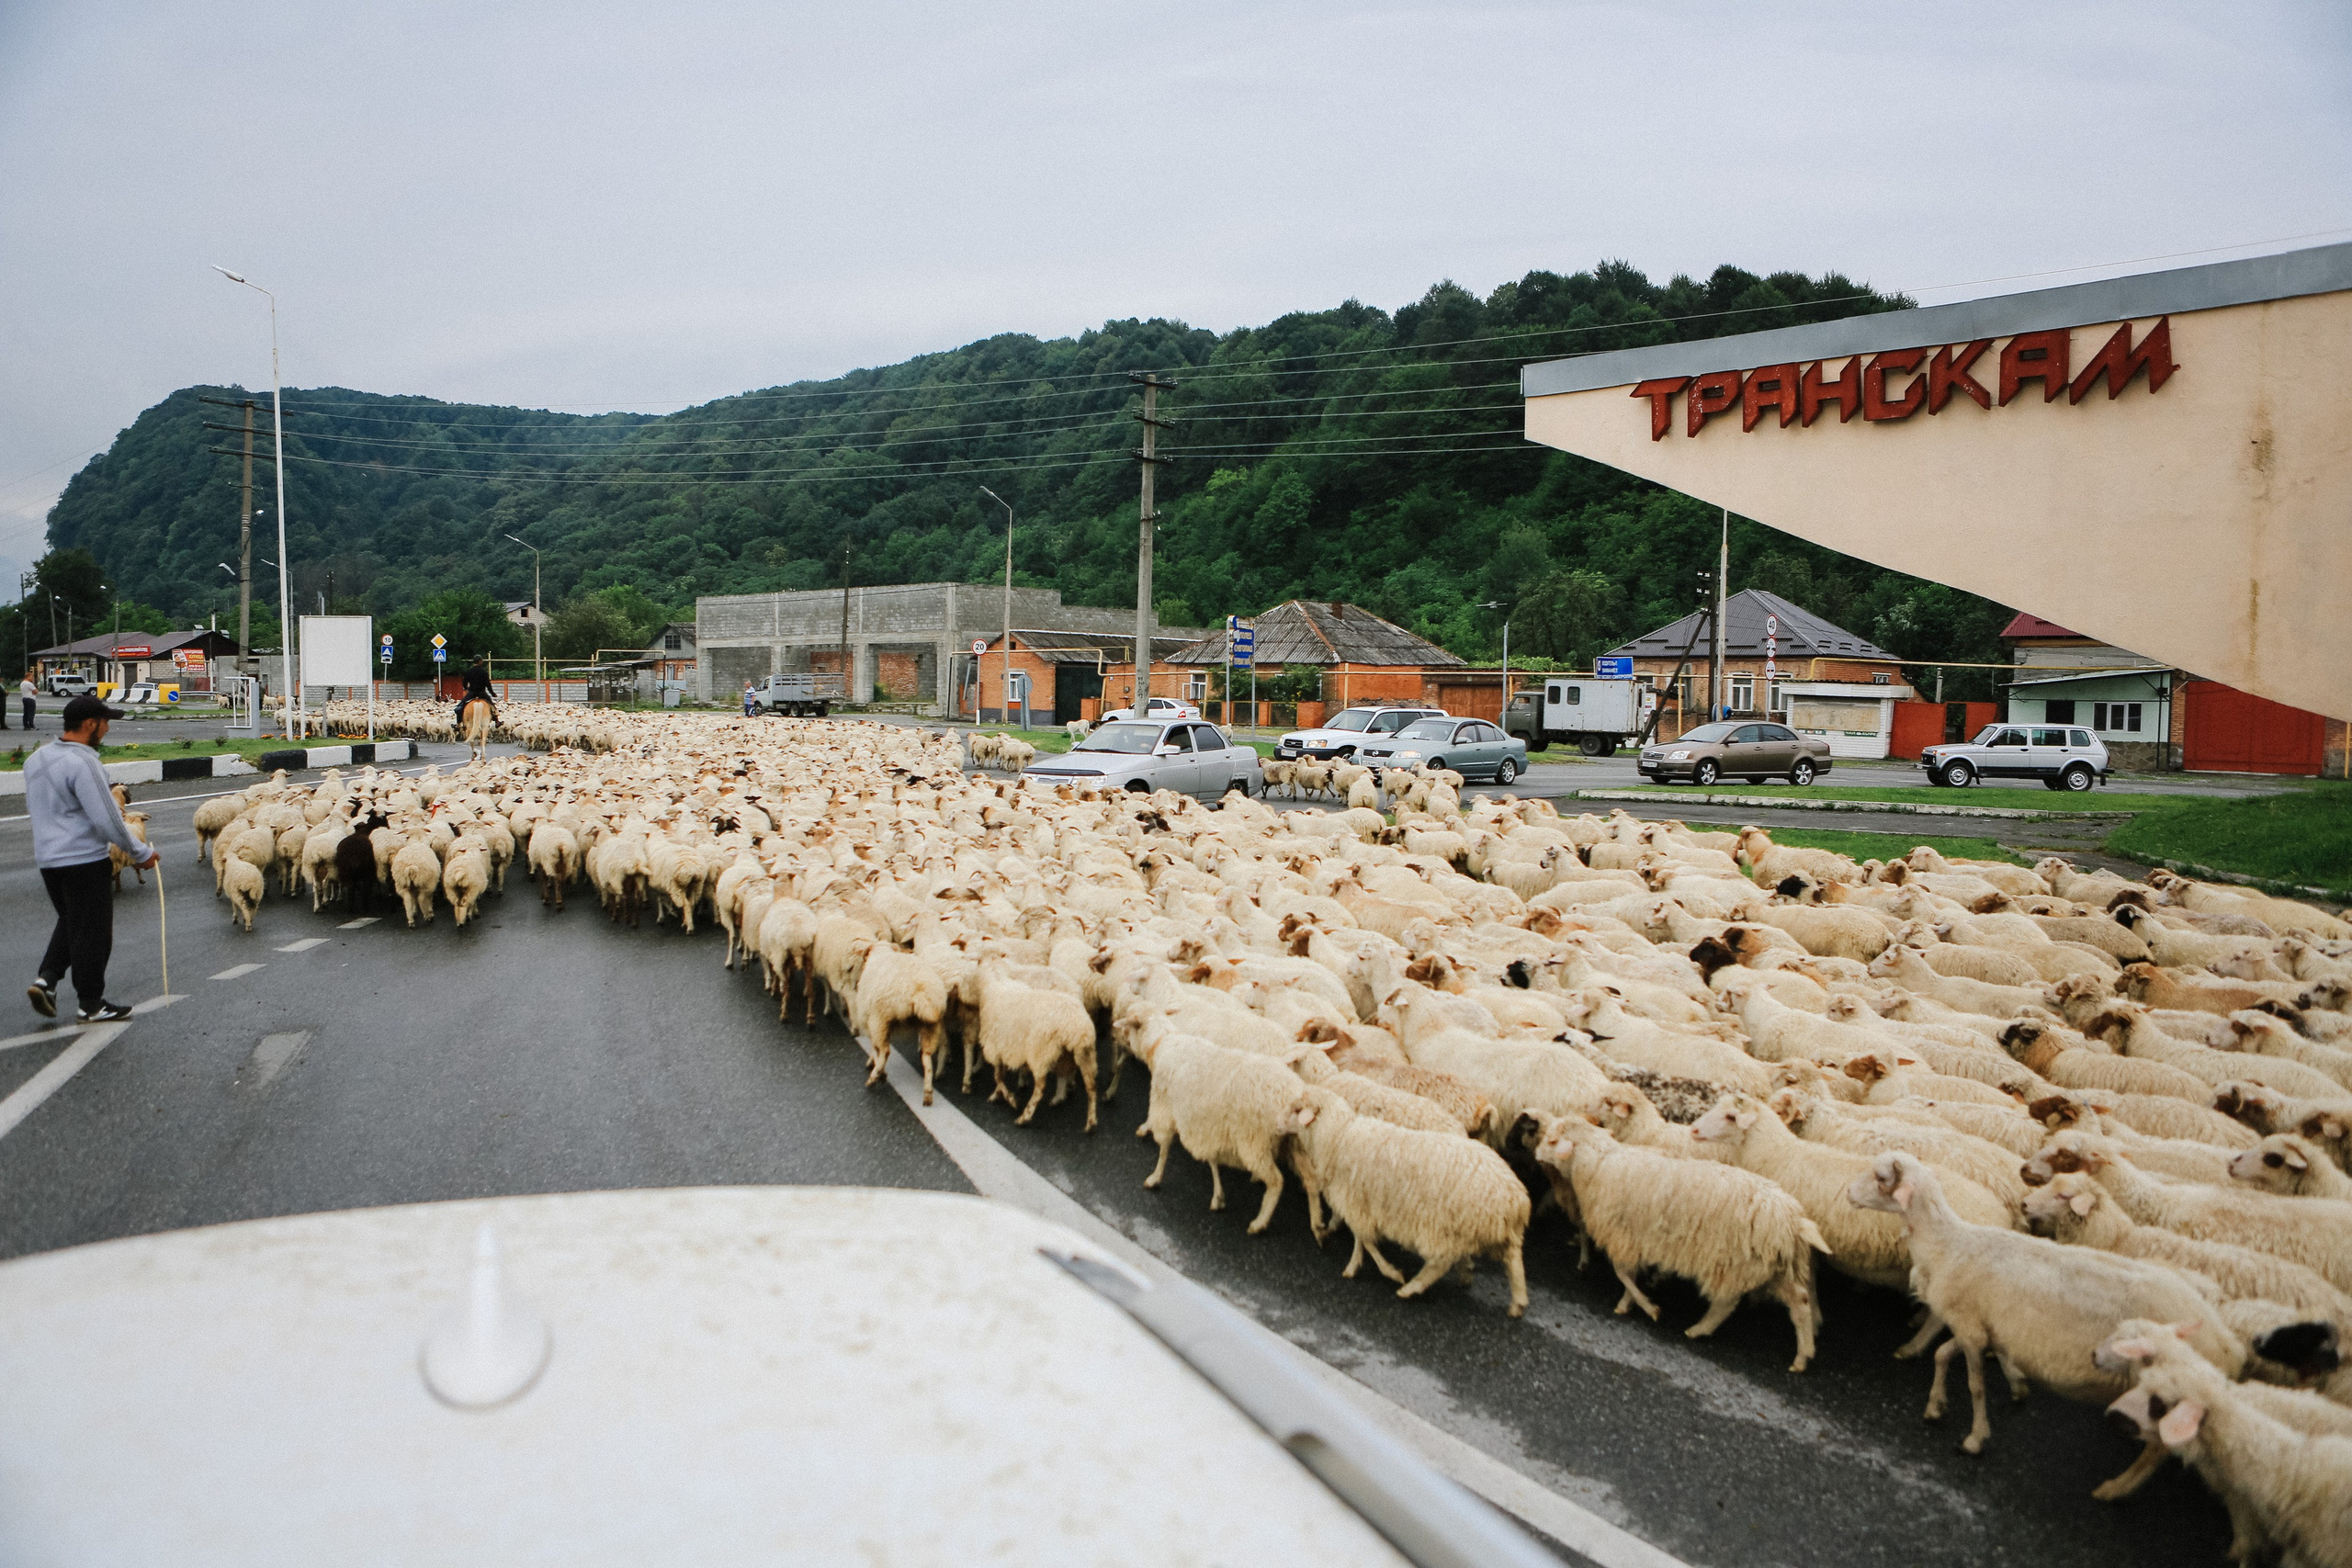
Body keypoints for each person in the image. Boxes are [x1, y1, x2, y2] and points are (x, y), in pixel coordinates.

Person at [26, 694, 157, 1023]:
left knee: (72, 922)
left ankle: (46, 981)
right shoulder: (84, 763)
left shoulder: (36, 760)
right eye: (105, 722)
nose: (107, 729)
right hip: (84, 860)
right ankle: (91, 1004)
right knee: (93, 934)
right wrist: (140, 852)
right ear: (90, 724)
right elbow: (108, 818)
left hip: (49, 860)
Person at [453, 657, 495, 727]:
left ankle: (458, 724)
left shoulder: (469, 671)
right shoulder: (484, 672)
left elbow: (464, 682)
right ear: (480, 661)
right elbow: (488, 684)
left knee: (460, 707)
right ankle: (497, 721)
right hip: (482, 693)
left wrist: (466, 688)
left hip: (472, 693)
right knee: (493, 707)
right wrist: (492, 693)